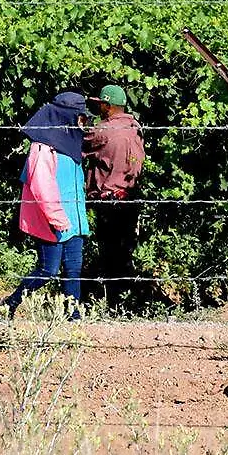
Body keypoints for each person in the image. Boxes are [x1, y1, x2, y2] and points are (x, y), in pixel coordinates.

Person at [0, 92, 91, 319]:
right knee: (48, 270)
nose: (84, 122)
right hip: (52, 221)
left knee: (73, 270)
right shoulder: (43, 147)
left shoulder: (72, 142)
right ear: (66, 116)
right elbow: (42, 185)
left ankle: (73, 319)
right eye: (80, 117)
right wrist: (57, 218)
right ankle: (9, 304)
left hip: (74, 220)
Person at [83, 85, 146, 301]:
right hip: (130, 196)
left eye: (100, 103)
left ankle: (113, 301)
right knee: (124, 251)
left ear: (108, 106)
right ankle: (128, 299)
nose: (98, 106)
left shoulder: (103, 131)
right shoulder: (135, 127)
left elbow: (80, 144)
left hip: (109, 200)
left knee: (109, 253)